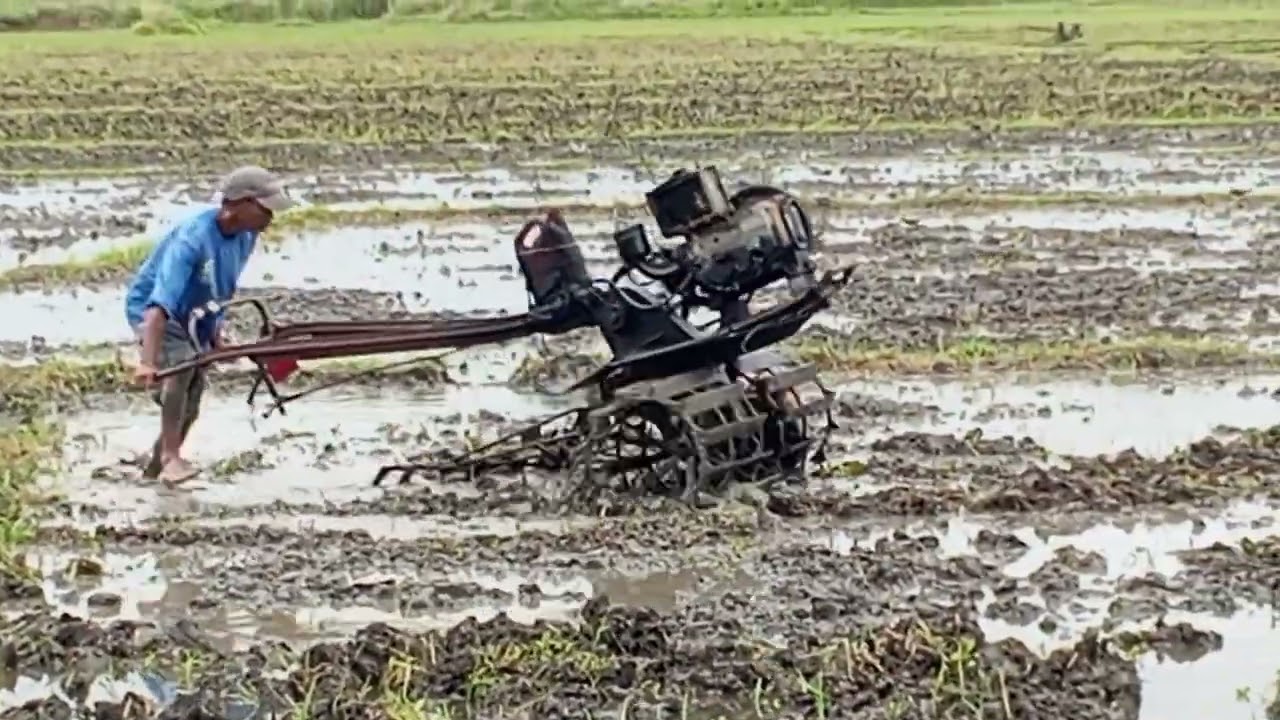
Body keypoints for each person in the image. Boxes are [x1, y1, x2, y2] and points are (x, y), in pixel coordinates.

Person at [125, 165, 301, 484]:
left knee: (192, 397)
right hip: (155, 313)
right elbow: (158, 306)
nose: (271, 218)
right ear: (239, 204)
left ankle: (154, 472)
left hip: (196, 313)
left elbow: (220, 287)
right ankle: (170, 457)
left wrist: (216, 334)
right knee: (181, 370)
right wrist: (148, 362)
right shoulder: (192, 240)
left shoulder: (246, 236)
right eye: (265, 209)